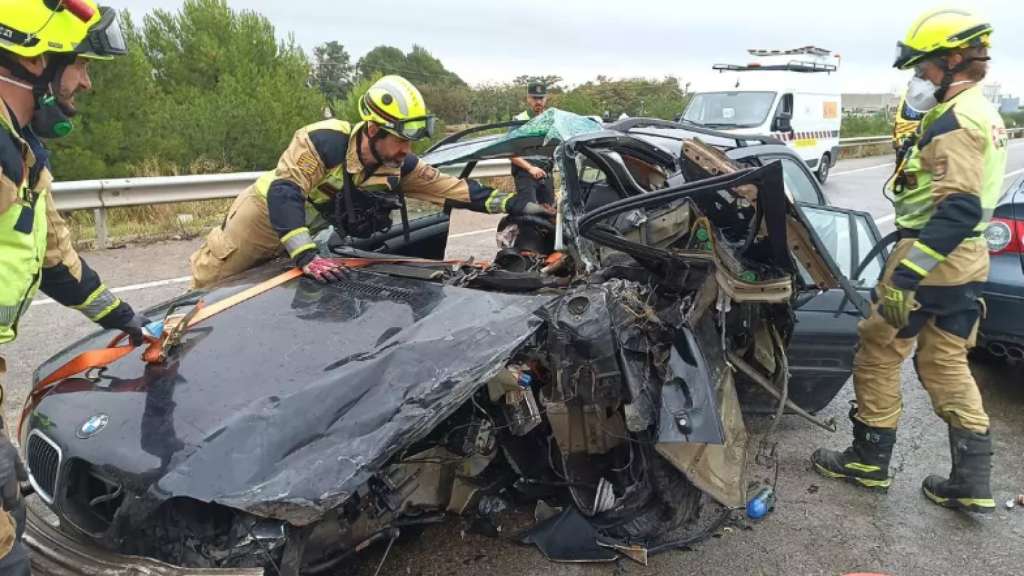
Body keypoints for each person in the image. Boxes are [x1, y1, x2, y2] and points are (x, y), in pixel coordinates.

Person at [811, 5, 1005, 514]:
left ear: (954, 60)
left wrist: (909, 274)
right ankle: (972, 483)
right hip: (968, 261)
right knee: (946, 361)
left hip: (930, 254)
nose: (918, 77)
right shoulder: (986, 112)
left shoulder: (954, 119)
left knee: (878, 351)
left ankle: (868, 461)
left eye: (924, 67)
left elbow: (958, 207)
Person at [0, 2, 149, 573]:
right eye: (79, 64)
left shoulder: (23, 153)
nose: (86, 81)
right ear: (35, 58)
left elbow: (57, 264)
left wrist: (125, 319)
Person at [188, 74, 551, 288]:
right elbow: (286, 191)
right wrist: (306, 255)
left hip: (300, 235)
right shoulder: (324, 141)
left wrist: (518, 204)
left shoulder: (397, 164)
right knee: (211, 291)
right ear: (374, 130)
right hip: (260, 221)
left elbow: (452, 188)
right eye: (400, 140)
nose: (406, 150)